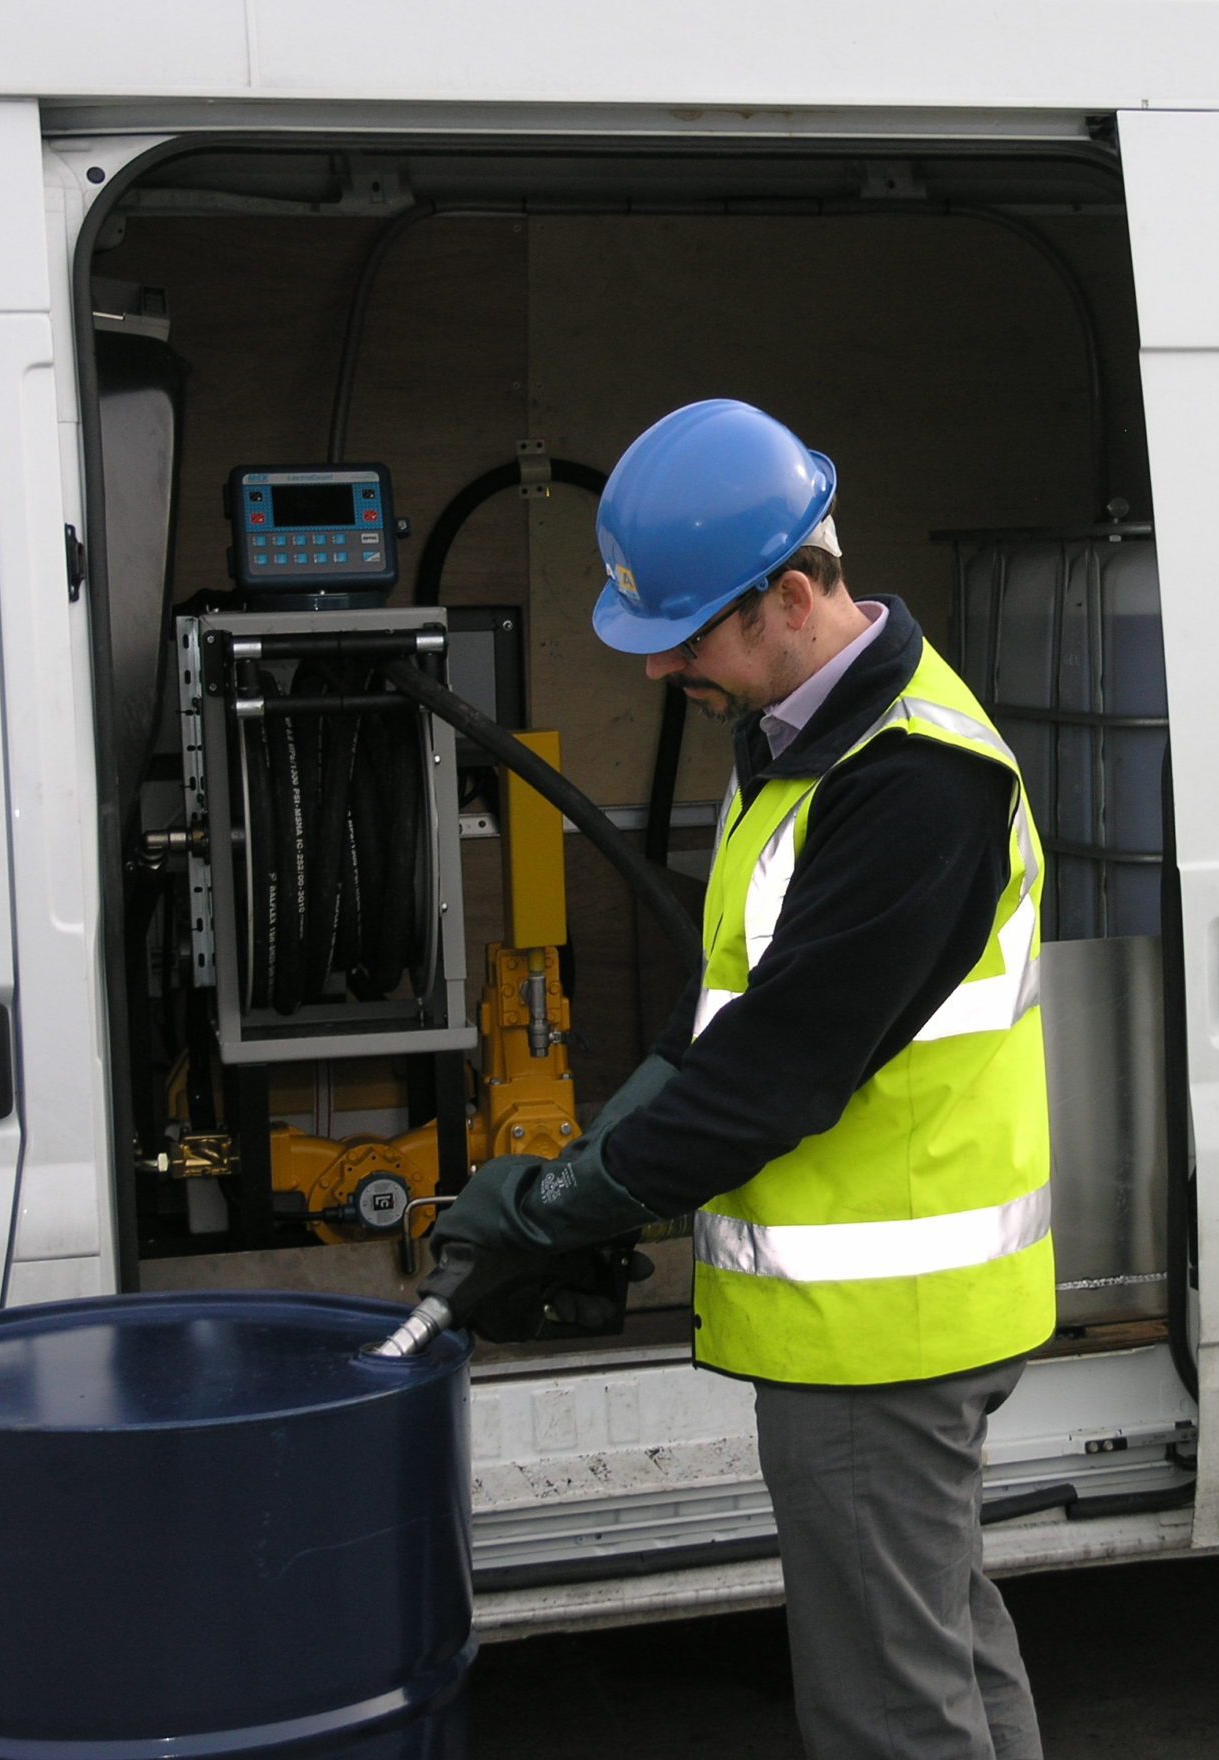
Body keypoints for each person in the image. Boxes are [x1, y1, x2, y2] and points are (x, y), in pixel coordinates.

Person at [430, 398, 1053, 1760]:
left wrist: (563, 1208)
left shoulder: (914, 785)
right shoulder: (800, 738)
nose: (662, 670)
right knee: (942, 1644)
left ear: (793, 597)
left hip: (883, 1339)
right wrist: (594, 1160)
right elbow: (726, 1015)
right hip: (881, 1328)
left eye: (687, 637)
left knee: (889, 1712)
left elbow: (774, 1073)